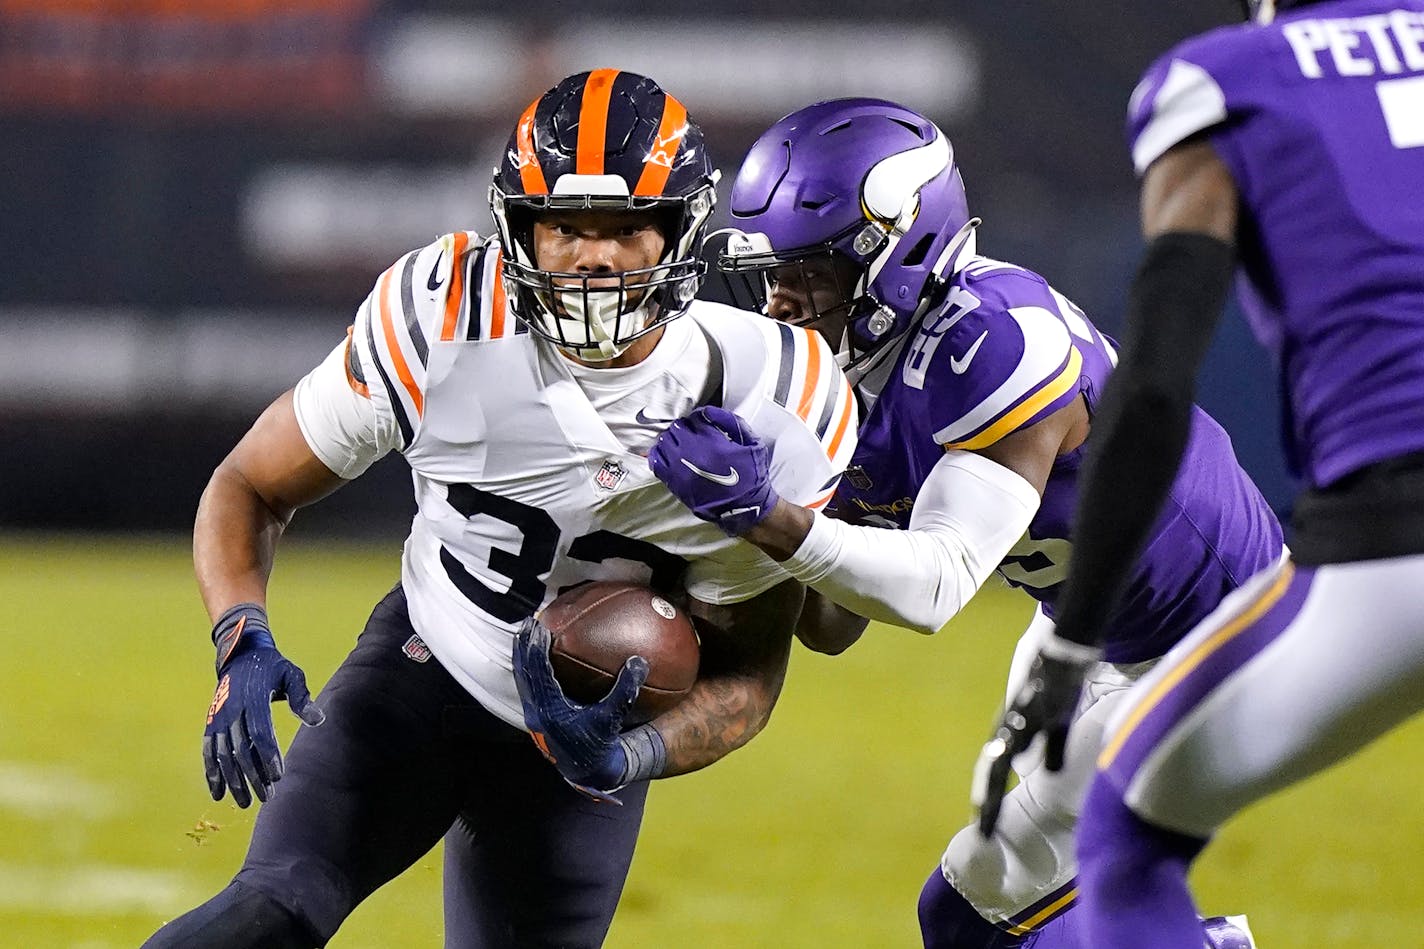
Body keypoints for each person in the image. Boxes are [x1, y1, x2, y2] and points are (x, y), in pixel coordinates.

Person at [142, 69, 857, 948]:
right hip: (425, 668)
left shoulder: (769, 390)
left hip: (586, 739)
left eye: (626, 228)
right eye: (564, 229)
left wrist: (626, 753)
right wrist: (239, 633)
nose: (593, 257)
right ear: (519, 228)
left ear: (682, 228)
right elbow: (249, 485)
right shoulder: (444, 318)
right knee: (272, 911)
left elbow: (750, 674)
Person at [648, 98, 1275, 949]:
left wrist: (770, 517)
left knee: (979, 905)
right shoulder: (860, 367)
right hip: (1090, 628)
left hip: (1218, 628)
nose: (782, 304)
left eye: (812, 273)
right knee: (991, 910)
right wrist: (774, 502)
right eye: (772, 274)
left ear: (899, 251)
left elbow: (938, 584)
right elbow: (836, 624)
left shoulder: (991, 339)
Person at [975, 0, 1424, 945]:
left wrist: (1073, 639)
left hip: (1391, 542)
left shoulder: (1225, 82)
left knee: (1126, 833)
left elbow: (1150, 393)